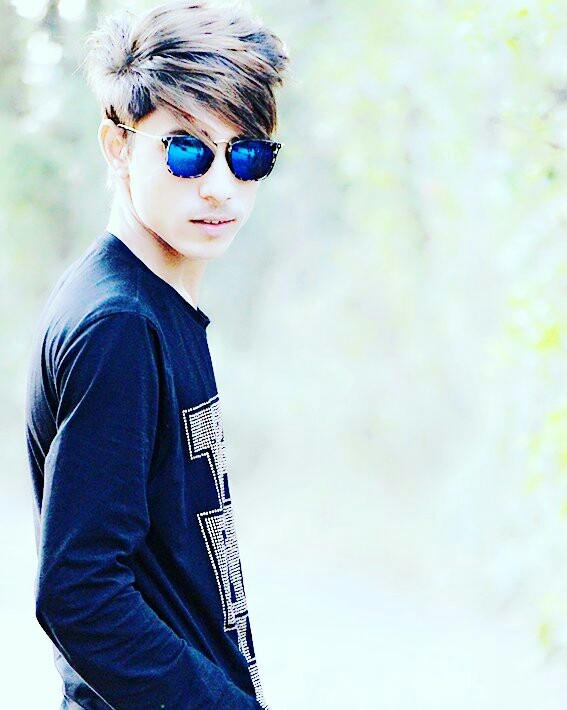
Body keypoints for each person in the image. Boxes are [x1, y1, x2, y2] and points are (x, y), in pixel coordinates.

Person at [23, 1, 289, 707]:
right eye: (186, 149)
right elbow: (80, 595)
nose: (220, 186)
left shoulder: (151, 308)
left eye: (246, 154)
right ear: (118, 146)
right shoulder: (118, 326)